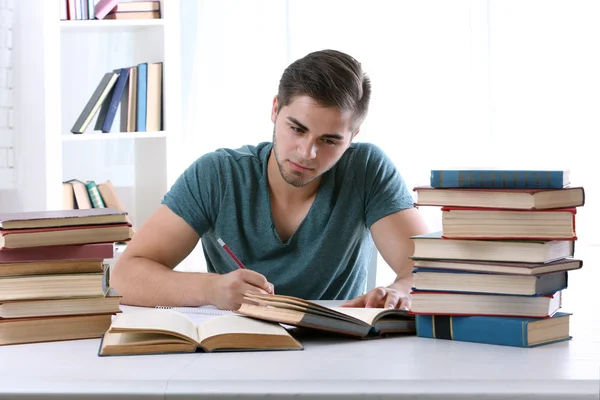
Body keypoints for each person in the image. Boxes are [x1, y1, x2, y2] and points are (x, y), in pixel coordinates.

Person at [111, 49, 429, 311]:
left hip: (339, 354)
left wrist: (400, 291)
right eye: (297, 129)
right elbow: (124, 276)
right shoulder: (216, 175)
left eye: (330, 141)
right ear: (275, 109)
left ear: (352, 137)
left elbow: (428, 270)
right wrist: (211, 288)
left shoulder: (367, 169)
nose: (307, 153)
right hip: (239, 350)